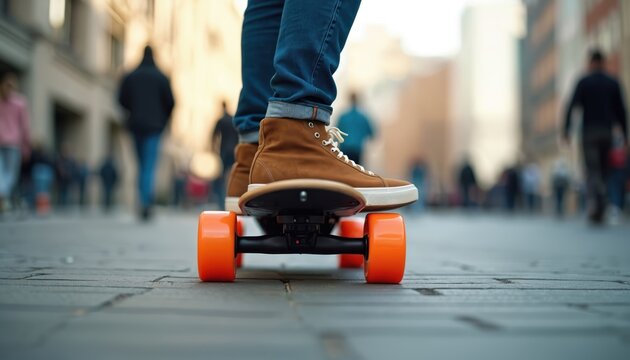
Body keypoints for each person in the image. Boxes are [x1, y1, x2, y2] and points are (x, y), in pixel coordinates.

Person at [225, 0, 417, 213]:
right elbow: (372, 132)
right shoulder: (361, 115)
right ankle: (297, 140)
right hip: (354, 147)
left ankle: (254, 154)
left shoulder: (348, 116)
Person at [564, 49, 628, 225]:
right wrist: (625, 135)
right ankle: (604, 203)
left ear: (591, 62)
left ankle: (595, 204)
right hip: (606, 132)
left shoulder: (584, 82)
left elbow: (572, 106)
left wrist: (567, 131)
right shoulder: (612, 82)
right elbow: (622, 111)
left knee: (592, 170)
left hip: (589, 132)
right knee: (605, 170)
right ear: (603, 62)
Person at [118, 46, 175, 220]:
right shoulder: (162, 77)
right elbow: (171, 102)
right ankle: (145, 202)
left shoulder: (131, 76)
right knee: (149, 166)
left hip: (136, 125)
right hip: (155, 127)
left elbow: (121, 99)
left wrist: (133, 111)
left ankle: (142, 201)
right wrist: (163, 119)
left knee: (141, 165)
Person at [0, 71, 30, 213]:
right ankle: (3, 196)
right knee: (7, 174)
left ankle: (3, 197)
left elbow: (24, 126)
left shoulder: (19, 103)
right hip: (9, 143)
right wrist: (25, 146)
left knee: (7, 174)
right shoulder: (19, 102)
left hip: (11, 143)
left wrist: (25, 146)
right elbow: (24, 126)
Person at [211, 101, 238, 210]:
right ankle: (231, 198)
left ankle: (222, 202)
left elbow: (213, 136)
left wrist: (214, 149)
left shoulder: (221, 120)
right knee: (232, 175)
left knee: (223, 177)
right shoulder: (232, 119)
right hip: (234, 150)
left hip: (224, 151)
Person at [336, 92, 374, 165]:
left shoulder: (343, 117)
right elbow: (372, 134)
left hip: (344, 150)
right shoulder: (363, 117)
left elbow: (336, 133)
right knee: (356, 170)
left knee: (345, 170)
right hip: (357, 150)